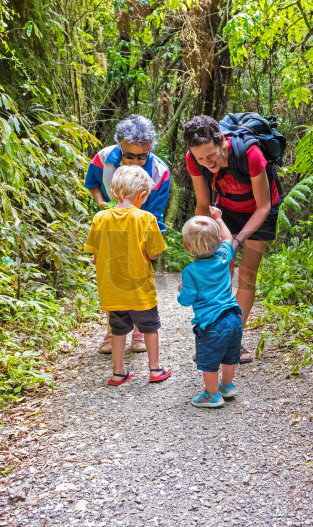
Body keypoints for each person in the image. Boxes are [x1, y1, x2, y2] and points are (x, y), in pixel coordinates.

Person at [183, 115, 280, 363]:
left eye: (211, 156)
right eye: (200, 158)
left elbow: (263, 206)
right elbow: (203, 204)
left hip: (260, 212)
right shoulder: (194, 160)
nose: (207, 163)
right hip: (225, 210)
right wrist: (199, 244)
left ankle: (234, 341)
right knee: (221, 270)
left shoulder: (251, 154)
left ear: (221, 141)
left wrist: (235, 242)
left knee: (247, 274)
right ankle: (217, 338)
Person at [85, 114, 171, 354]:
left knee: (138, 279)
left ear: (150, 148)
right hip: (110, 228)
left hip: (142, 230)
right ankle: (113, 331)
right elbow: (92, 182)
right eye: (129, 155)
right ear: (119, 146)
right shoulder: (103, 158)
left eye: (142, 156)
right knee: (112, 277)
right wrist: (102, 202)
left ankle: (139, 332)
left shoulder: (160, 172)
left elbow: (153, 213)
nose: (135, 161)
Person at [84, 165, 172, 386]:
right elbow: (153, 254)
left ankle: (118, 372)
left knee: (118, 330)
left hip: (112, 290)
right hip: (141, 290)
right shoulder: (146, 219)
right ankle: (154, 369)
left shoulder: (100, 219)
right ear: (142, 196)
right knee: (150, 328)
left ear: (113, 194)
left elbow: (95, 253)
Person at [177, 208, 242, 408]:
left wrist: (180, 290)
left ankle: (212, 395)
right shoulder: (223, 257)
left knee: (209, 360)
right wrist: (219, 219)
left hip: (212, 324)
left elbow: (186, 300)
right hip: (234, 317)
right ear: (217, 243)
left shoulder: (191, 271)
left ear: (186, 246)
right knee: (231, 356)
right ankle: (227, 386)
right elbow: (229, 238)